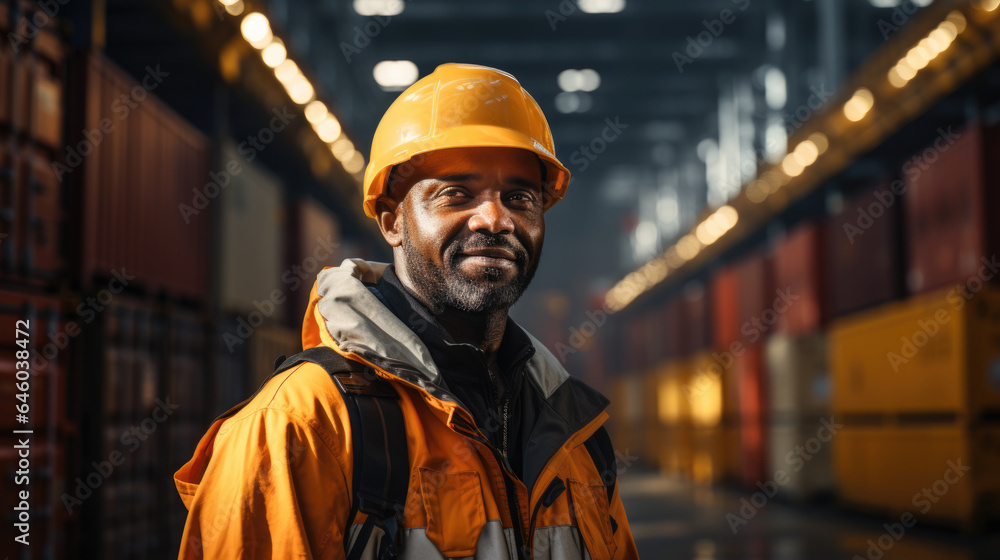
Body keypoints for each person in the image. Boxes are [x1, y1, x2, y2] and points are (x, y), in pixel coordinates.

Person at [175, 63, 638, 560]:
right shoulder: (302, 426)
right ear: (393, 222)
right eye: (456, 194)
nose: (495, 219)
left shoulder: (575, 434)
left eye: (519, 197)